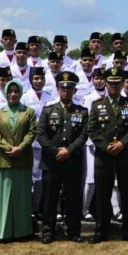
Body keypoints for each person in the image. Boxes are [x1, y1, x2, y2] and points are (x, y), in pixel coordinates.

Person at [87, 68, 128, 244]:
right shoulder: (97, 105)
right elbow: (92, 130)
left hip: (125, 155)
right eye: (111, 83)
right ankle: (101, 231)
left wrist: (122, 143)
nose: (114, 86)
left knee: (127, 193)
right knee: (102, 194)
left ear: (122, 84)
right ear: (105, 83)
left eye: (117, 83)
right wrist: (105, 146)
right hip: (104, 156)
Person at [36, 71, 89, 244]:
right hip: (51, 162)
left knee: (73, 198)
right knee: (50, 198)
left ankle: (73, 230)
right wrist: (55, 150)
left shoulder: (82, 111)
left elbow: (83, 134)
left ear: (74, 91)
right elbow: (41, 134)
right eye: (63, 88)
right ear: (58, 89)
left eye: (70, 88)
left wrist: (69, 150)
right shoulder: (47, 110)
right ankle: (48, 231)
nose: (66, 91)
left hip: (72, 161)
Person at [0, 81, 37, 240]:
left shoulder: (28, 112)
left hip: (22, 160)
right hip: (3, 160)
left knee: (22, 198)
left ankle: (22, 231)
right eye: (10, 91)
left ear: (21, 93)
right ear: (6, 93)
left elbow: (31, 133)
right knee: (2, 198)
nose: (13, 94)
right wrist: (8, 148)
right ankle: (1, 232)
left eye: (16, 91)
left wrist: (21, 148)